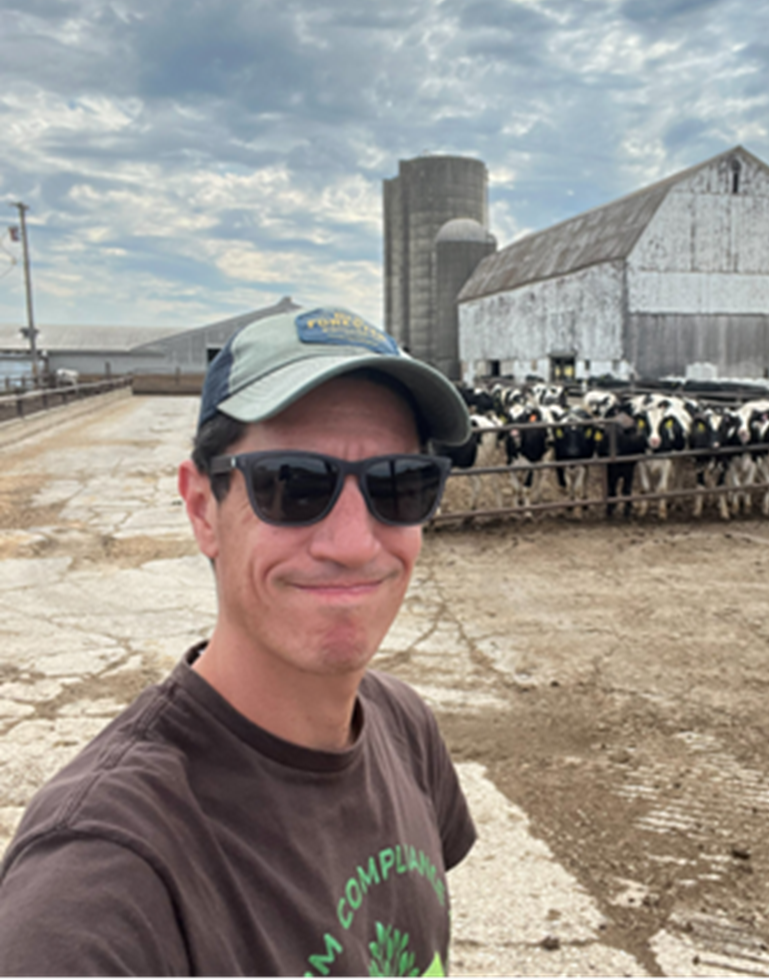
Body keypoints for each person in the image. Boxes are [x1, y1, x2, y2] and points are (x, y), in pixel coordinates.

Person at [0, 307, 477, 978]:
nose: (352, 542)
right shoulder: (104, 877)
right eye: (292, 484)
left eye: (398, 485)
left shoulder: (406, 730)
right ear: (202, 508)